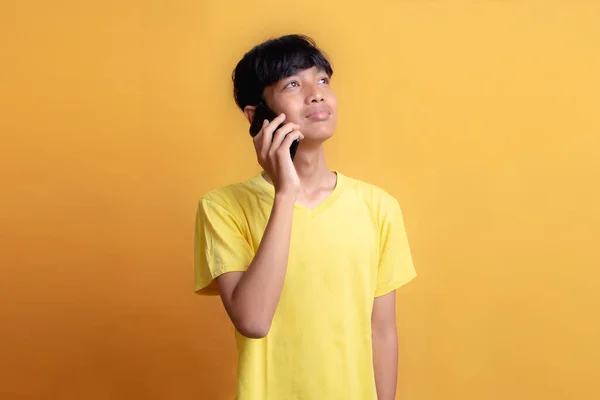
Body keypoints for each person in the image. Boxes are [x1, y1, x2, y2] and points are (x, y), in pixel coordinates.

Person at [194, 34, 417, 400]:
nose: (316, 93)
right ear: (257, 116)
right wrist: (286, 193)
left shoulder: (378, 207)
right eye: (293, 83)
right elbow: (252, 321)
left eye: (323, 80)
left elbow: (381, 332)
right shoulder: (223, 207)